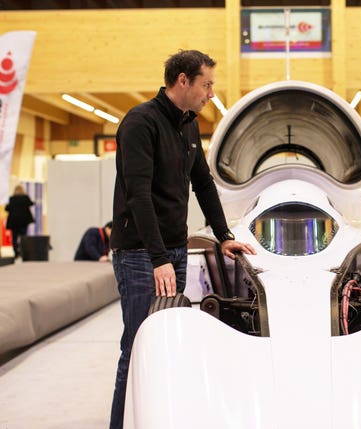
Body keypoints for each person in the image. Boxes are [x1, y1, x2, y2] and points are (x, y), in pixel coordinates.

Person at [108, 49, 257, 429]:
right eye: (206, 84)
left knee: (169, 342)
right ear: (183, 81)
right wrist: (158, 258)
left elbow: (203, 183)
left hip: (172, 250)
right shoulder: (140, 123)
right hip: (142, 254)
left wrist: (224, 235)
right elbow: (138, 195)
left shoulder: (188, 125)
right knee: (138, 343)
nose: (210, 93)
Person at [5, 184, 35, 258]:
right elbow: (31, 203)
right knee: (23, 237)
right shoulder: (25, 198)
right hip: (23, 221)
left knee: (14, 237)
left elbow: (7, 208)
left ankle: (16, 252)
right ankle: (23, 252)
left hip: (14, 221)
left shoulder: (12, 199)